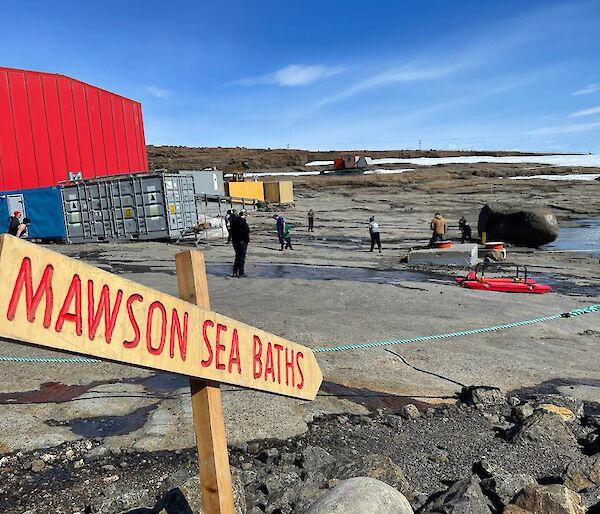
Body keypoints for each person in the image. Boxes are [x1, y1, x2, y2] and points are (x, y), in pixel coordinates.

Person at [230, 210, 249, 277]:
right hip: (242, 241)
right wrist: (246, 240)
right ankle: (241, 273)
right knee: (241, 258)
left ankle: (235, 272)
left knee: (237, 257)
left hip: (235, 241)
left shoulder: (234, 221)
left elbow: (231, 231)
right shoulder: (243, 222)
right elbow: (246, 232)